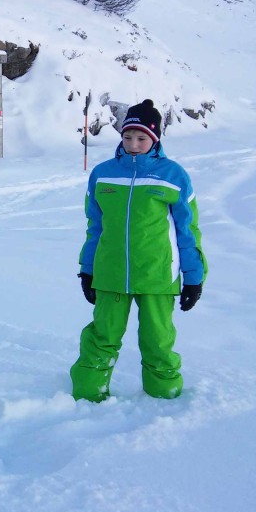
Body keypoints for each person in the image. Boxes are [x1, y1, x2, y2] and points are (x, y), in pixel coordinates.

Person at [70, 99, 206, 401]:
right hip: (111, 273)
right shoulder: (103, 174)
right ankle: (88, 393)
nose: (133, 143)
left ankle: (163, 395)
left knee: (157, 340)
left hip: (158, 274)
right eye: (128, 136)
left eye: (141, 138)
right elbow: (95, 227)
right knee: (102, 336)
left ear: (155, 138)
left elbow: (188, 231)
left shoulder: (173, 175)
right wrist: (87, 269)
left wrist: (194, 277)